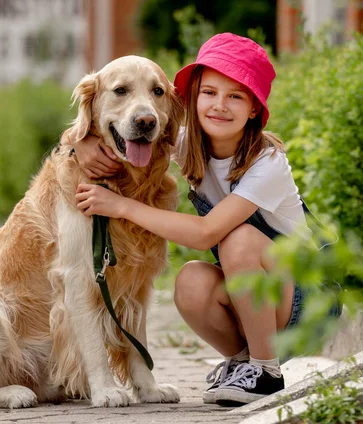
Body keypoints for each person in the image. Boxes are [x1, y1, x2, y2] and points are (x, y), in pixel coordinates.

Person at [74, 33, 339, 406]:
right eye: (209, 93)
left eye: (235, 96)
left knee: (238, 239)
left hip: (308, 302)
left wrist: (120, 206)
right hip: (264, 295)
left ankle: (266, 371)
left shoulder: (267, 163)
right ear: (194, 98)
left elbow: (205, 233)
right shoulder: (188, 144)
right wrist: (81, 142)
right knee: (192, 280)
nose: (219, 106)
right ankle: (241, 363)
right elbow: (116, 126)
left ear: (253, 109)